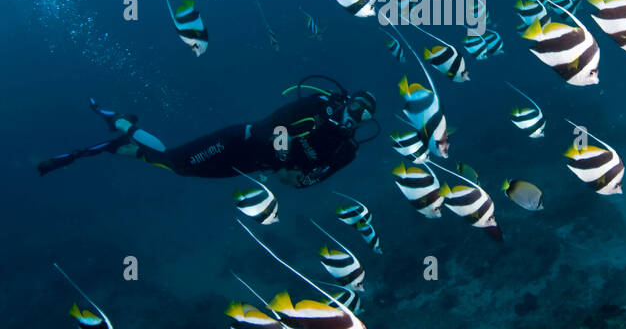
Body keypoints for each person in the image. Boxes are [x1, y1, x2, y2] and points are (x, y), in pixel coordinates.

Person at [37, 78, 377, 188]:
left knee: (179, 169)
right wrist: (286, 159)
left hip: (249, 166)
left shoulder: (347, 150)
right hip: (238, 140)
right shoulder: (318, 106)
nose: (358, 114)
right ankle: (121, 126)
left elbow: (317, 178)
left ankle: (124, 141)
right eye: (358, 104)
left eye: (365, 114)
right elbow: (275, 125)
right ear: (347, 100)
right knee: (173, 162)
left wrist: (295, 179)